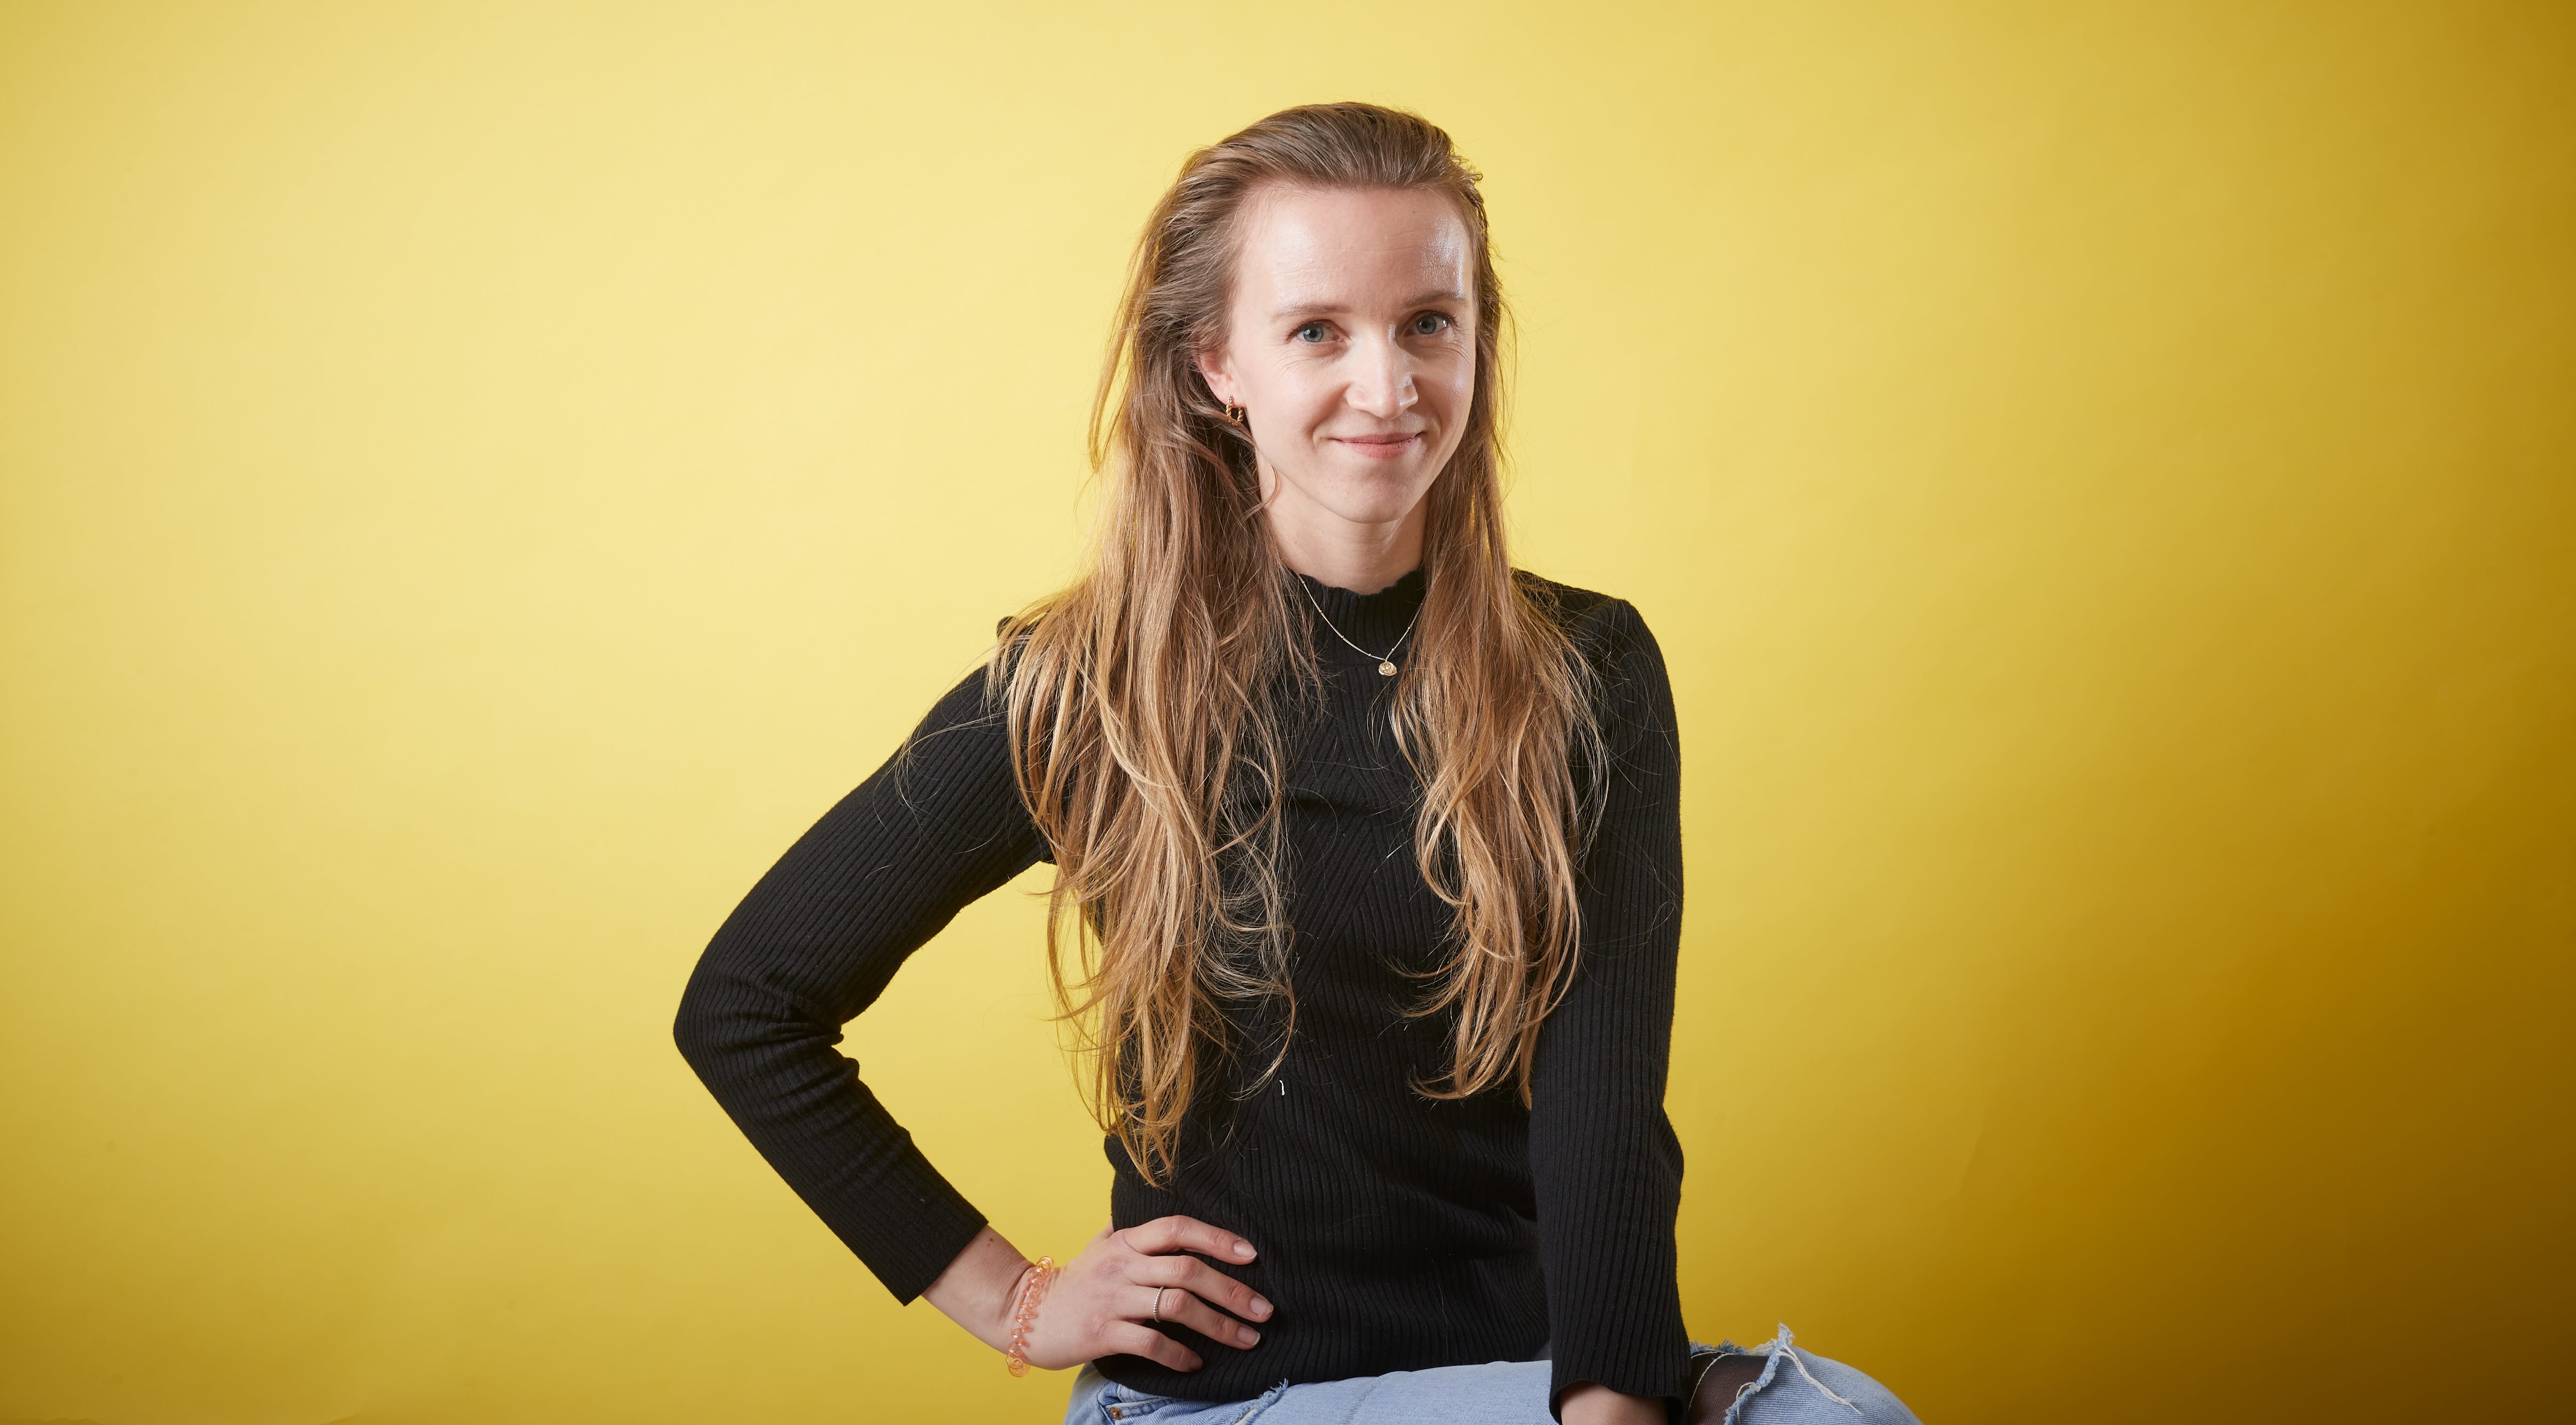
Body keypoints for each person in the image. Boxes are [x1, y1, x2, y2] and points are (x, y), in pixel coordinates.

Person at [674, 104, 1921, 1425]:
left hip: (1511, 1387)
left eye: (1427, 324)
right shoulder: (1089, 686)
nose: (1387, 388)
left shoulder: (1584, 669)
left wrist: (1609, 1413)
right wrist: (1017, 1302)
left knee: (1837, 1419)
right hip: (1219, 1408)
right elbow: (748, 1003)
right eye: (1318, 331)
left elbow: (1605, 1113)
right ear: (1218, 366)